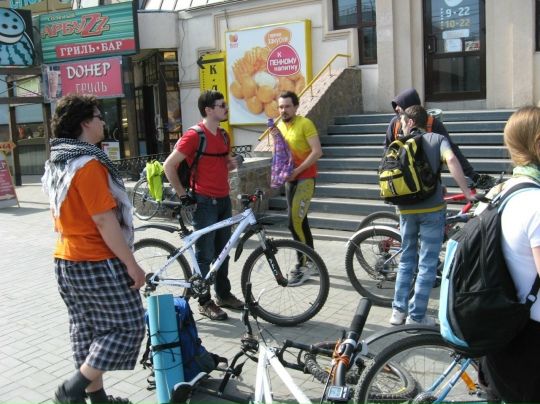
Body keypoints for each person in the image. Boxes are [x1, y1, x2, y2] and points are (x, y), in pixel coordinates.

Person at [41, 94, 146, 404]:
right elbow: (103, 220)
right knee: (129, 326)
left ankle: (98, 400)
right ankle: (71, 390)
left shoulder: (59, 160)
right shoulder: (87, 164)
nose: (104, 122)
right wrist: (131, 263)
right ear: (86, 122)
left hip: (66, 260)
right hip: (96, 260)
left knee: (87, 331)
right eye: (99, 116)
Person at [389, 105, 475, 326]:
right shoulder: (437, 139)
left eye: (403, 122)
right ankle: (416, 317)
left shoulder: (400, 143)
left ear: (410, 122)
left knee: (407, 259)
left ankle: (397, 312)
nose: (401, 126)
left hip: (406, 210)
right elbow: (452, 160)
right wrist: (466, 192)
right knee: (427, 264)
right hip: (432, 211)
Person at [163, 90, 242, 321]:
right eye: (222, 105)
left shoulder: (224, 135)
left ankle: (223, 295)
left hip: (224, 200)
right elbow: (168, 165)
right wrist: (183, 195)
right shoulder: (194, 135)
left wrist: (234, 163)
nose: (226, 108)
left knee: (223, 253)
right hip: (204, 203)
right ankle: (204, 301)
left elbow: (222, 166)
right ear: (209, 110)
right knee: (205, 254)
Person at [479, 106, 540, 404]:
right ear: (538, 144)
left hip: (498, 334)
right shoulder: (536, 203)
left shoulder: (499, 193)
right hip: (529, 344)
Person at [268, 90, 323, 286]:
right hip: (290, 180)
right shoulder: (280, 127)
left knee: (293, 223)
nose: (283, 110)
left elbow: (317, 152)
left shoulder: (305, 123)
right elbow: (280, 155)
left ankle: (302, 266)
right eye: (280, 107)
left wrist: (298, 170)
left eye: (287, 106)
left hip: (305, 179)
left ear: (296, 107)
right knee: (302, 222)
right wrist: (276, 140)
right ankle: (313, 263)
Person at [385, 88, 491, 185]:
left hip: (428, 183)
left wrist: (473, 175)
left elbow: (452, 151)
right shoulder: (395, 124)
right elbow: (387, 151)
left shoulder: (432, 124)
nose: (397, 109)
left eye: (400, 106)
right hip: (402, 184)